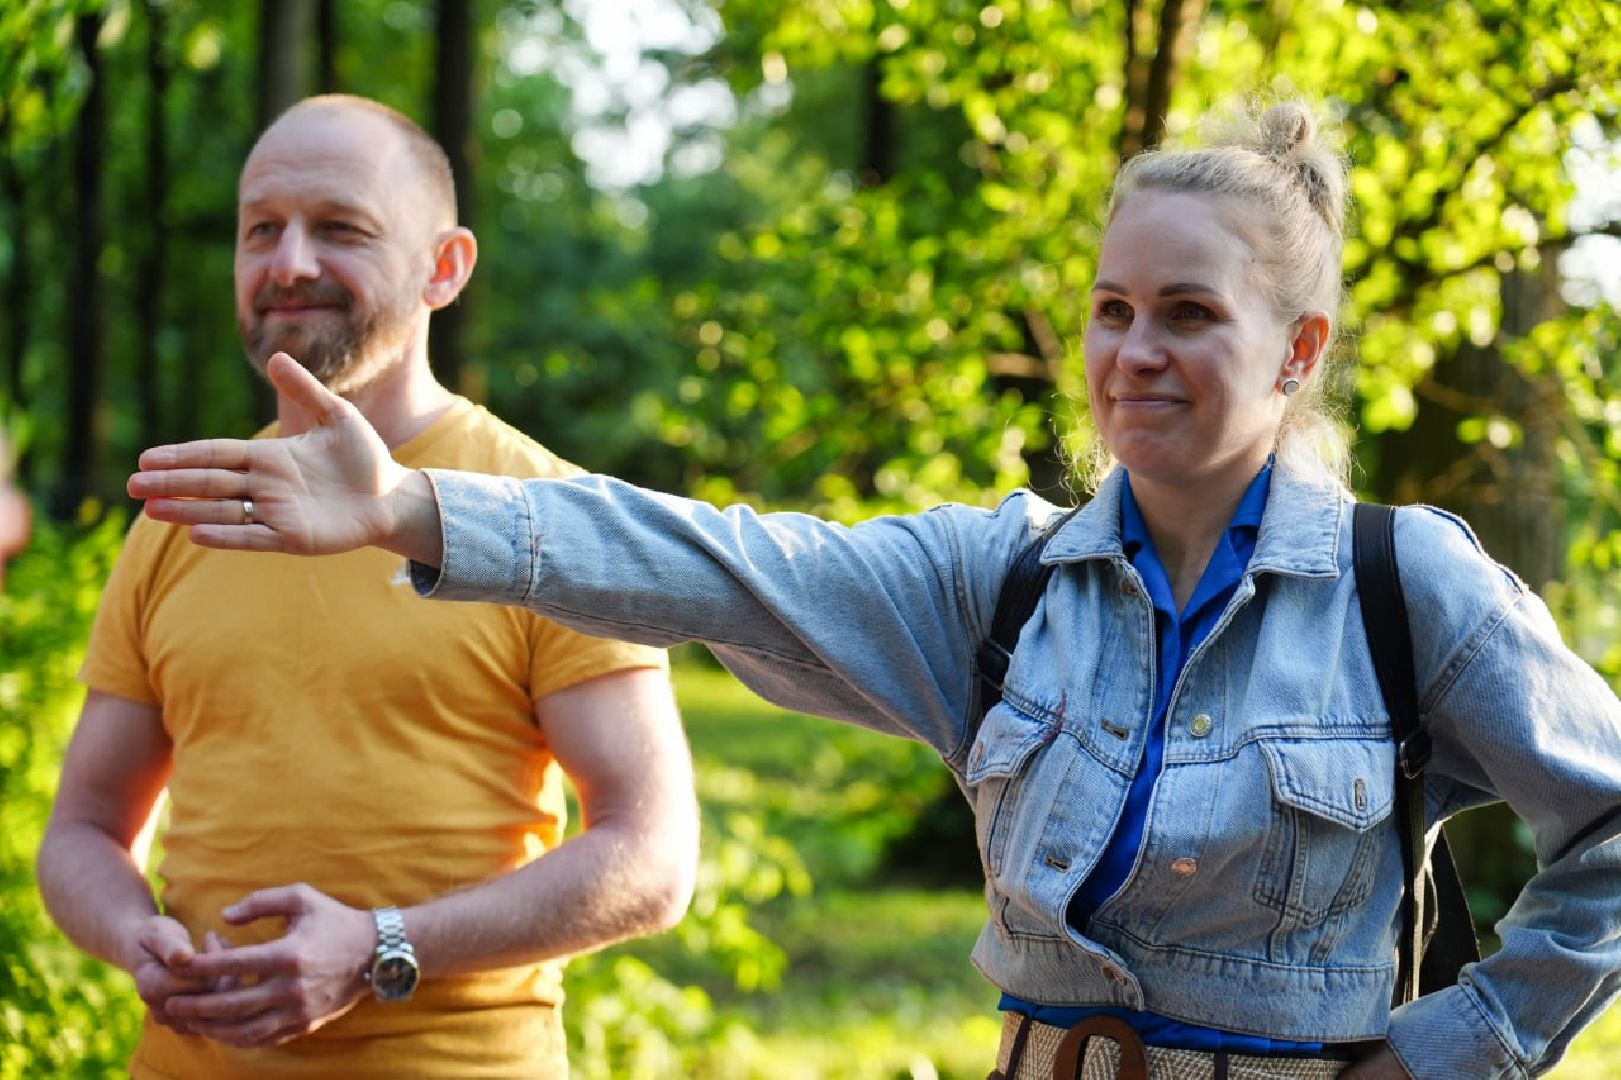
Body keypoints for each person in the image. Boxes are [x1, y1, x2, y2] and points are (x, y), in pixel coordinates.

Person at [126, 99, 1621, 1080]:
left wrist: (1459, 1048)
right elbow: (721, 562)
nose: (1133, 353)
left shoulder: (1399, 584)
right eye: (1109, 311)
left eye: (1188, 315)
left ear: (1294, 351)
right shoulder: (1004, 582)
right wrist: (407, 506)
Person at [38, 94, 699, 1079]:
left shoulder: (540, 511)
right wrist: (137, 936)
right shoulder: (187, 512)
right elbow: (85, 829)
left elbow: (651, 856)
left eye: (340, 227)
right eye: (260, 229)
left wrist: (381, 947)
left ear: (445, 267)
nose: (289, 263)